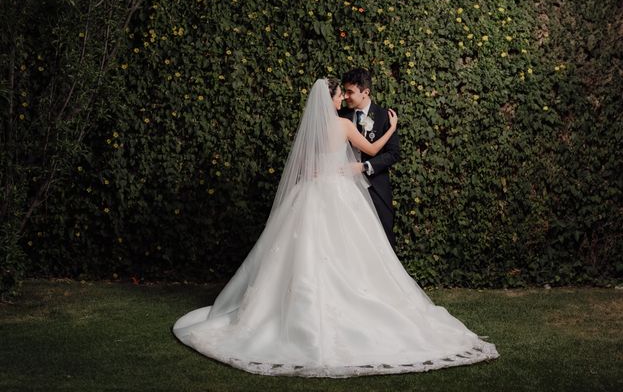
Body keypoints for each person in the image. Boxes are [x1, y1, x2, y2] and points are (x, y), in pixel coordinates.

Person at [173, 78, 498, 378]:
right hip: (339, 193)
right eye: (340, 94)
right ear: (331, 99)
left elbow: (307, 165)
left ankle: (286, 312)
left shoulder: (312, 129)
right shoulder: (342, 124)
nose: (343, 96)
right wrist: (392, 128)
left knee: (302, 253)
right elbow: (371, 151)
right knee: (351, 251)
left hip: (311, 193)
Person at [338, 68, 400, 248]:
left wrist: (364, 166)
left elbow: (393, 153)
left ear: (365, 92)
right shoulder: (341, 117)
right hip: (344, 188)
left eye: (350, 92)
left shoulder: (384, 116)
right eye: (344, 91)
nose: (346, 96)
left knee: (383, 239)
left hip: (376, 187)